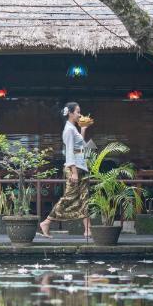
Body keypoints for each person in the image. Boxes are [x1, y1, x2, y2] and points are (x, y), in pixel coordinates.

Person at [39, 101, 91, 238]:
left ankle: (88, 229)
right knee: (69, 197)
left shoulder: (74, 128)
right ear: (70, 113)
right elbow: (69, 152)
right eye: (78, 112)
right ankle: (46, 222)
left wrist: (83, 130)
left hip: (82, 167)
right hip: (74, 169)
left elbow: (80, 147)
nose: (80, 114)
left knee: (85, 197)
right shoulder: (68, 129)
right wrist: (74, 171)